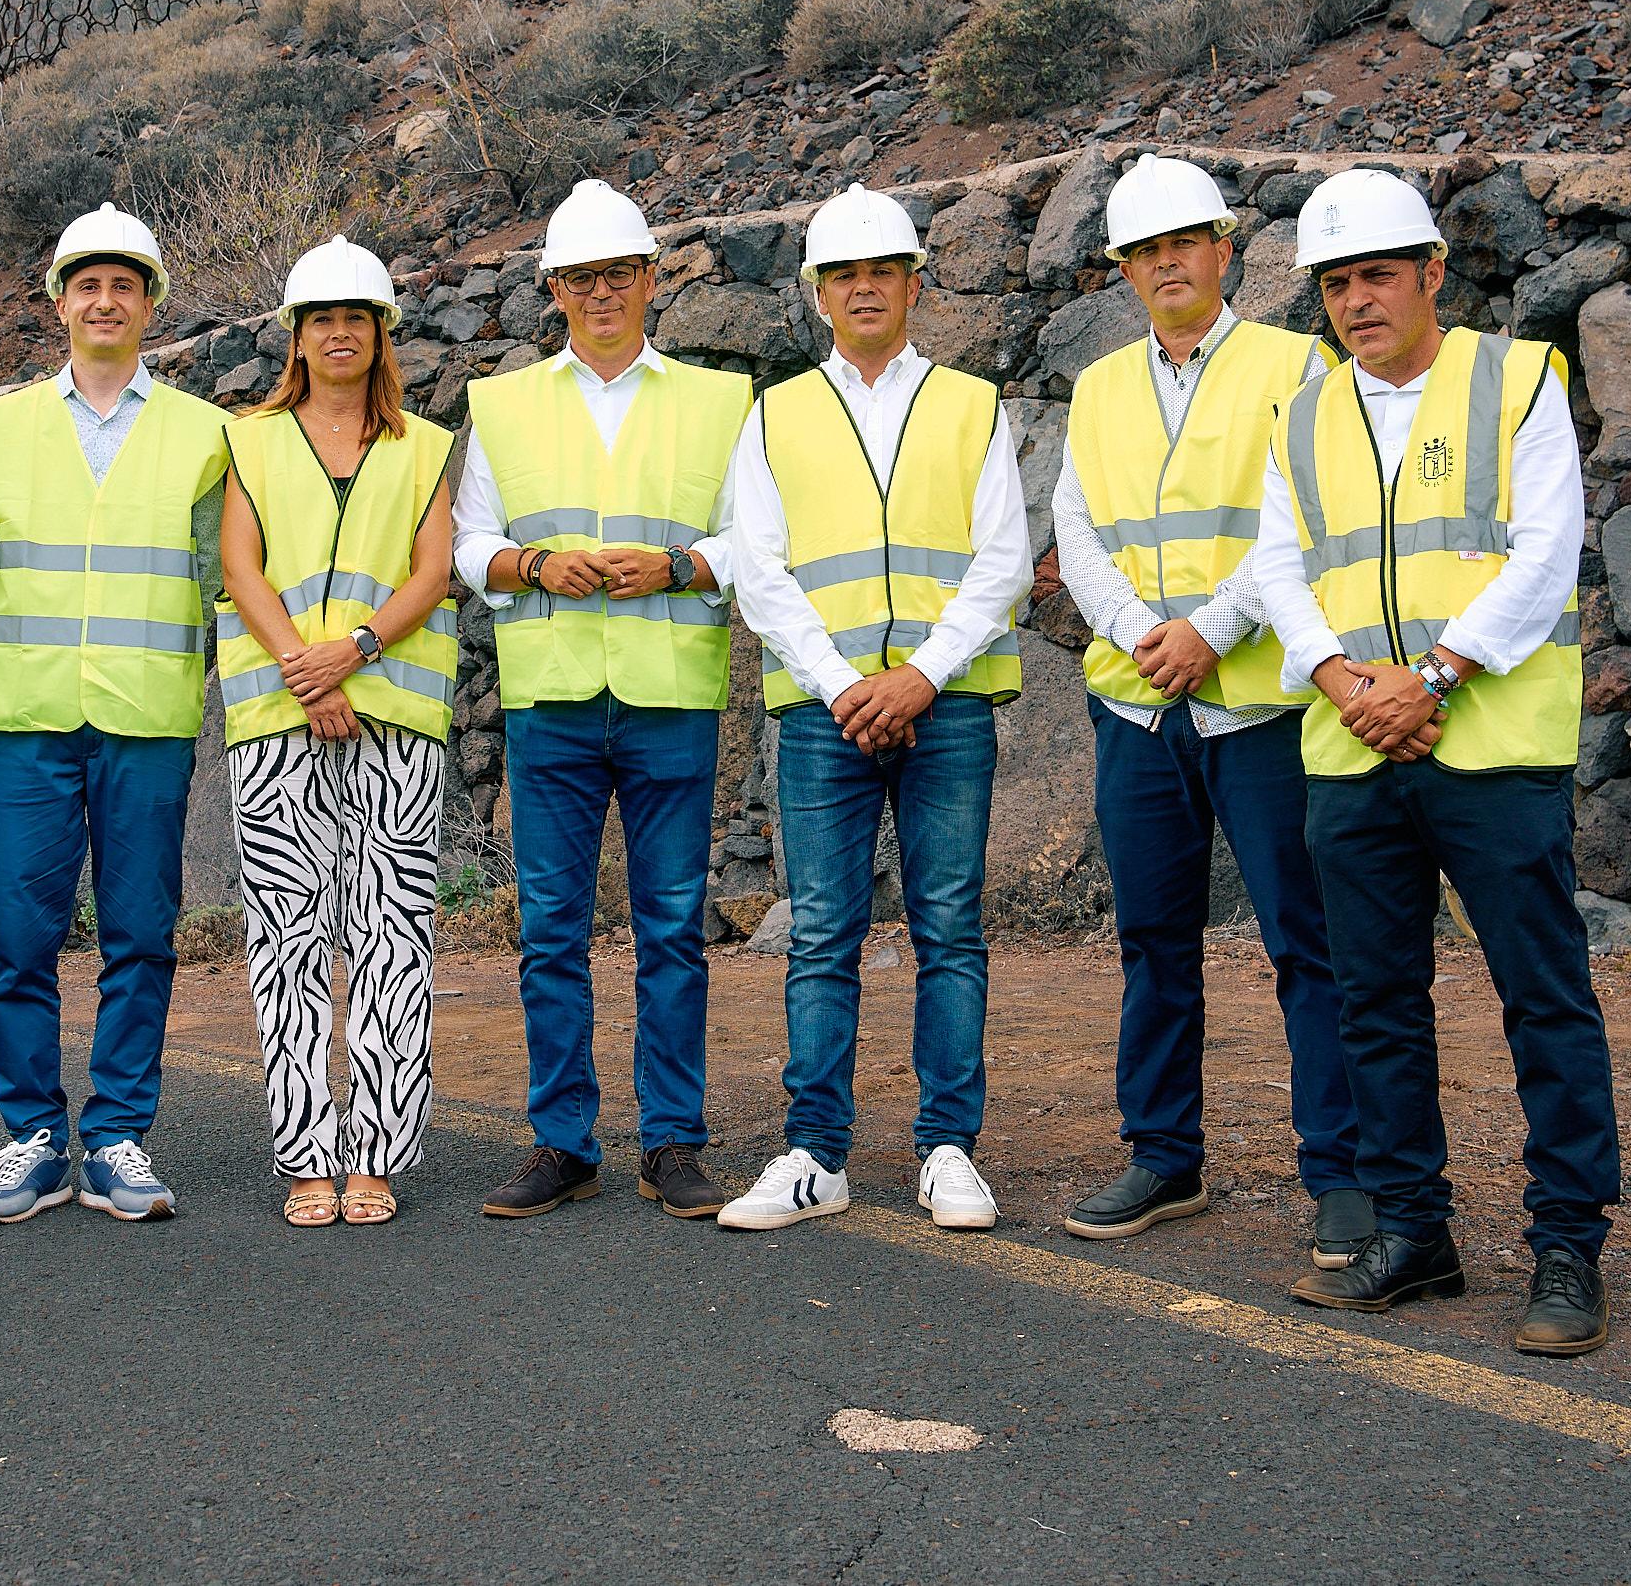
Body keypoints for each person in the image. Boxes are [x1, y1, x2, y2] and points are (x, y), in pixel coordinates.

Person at [1247, 167, 1615, 1357]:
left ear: (1431, 274)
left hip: (1491, 745)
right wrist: (1344, 681)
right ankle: (1414, 1232)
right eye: (1336, 282)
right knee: (1375, 1003)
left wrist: (1436, 677)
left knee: (1542, 997)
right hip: (1353, 748)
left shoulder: (1517, 383)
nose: (1356, 301)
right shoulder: (1300, 418)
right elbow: (1278, 570)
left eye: (1376, 276)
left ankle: (1566, 1242)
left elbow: (1545, 550)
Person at [1050, 155, 1369, 1269]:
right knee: (1152, 942)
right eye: (1144, 251)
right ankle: (1162, 1156)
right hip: (1136, 708)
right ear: (1123, 270)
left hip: (1261, 709)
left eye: (1183, 243)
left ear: (1224, 250)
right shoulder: (1097, 389)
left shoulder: (1296, 366)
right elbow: (1076, 529)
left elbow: (1306, 523)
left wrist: (1212, 630)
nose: (1165, 264)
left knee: (1307, 943)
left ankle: (1342, 1174)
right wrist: (1146, 630)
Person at [711, 186, 1032, 1235]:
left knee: (948, 927)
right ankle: (815, 1154)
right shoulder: (775, 413)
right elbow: (757, 571)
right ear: (816, 292)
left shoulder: (970, 403)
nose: (861, 288)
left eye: (880, 271)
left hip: (943, 706)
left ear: (913, 285)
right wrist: (847, 682)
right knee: (821, 935)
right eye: (842, 274)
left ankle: (948, 1149)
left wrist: (919, 676)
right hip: (822, 713)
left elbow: (1002, 564)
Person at [456, 178, 751, 1221]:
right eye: (581, 277)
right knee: (551, 929)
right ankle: (561, 1140)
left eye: (619, 272)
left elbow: (753, 541)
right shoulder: (503, 404)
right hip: (554, 702)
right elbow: (468, 544)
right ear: (551, 289)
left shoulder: (720, 403)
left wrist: (677, 570)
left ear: (651, 277)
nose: (601, 292)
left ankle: (671, 1141)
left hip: (670, 696)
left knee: (671, 927)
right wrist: (532, 564)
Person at [0, 204, 229, 1227]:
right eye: (86, 284)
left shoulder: (207, 435)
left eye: (124, 285)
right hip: (24, 717)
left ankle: (116, 1137)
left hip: (148, 716)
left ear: (150, 303)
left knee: (139, 934)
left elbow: (222, 574)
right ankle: (31, 1135)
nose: (104, 301)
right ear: (57, 302)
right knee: (20, 936)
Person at [215, 238, 459, 1228]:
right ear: (296, 335)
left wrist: (350, 652)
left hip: (393, 706)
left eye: (357, 316)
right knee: (286, 935)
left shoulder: (426, 446)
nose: (340, 332)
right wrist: (304, 669)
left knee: (393, 930)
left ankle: (380, 1155)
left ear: (381, 331)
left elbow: (432, 571)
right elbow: (241, 567)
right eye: (322, 318)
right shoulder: (250, 440)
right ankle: (307, 1156)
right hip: (277, 711)